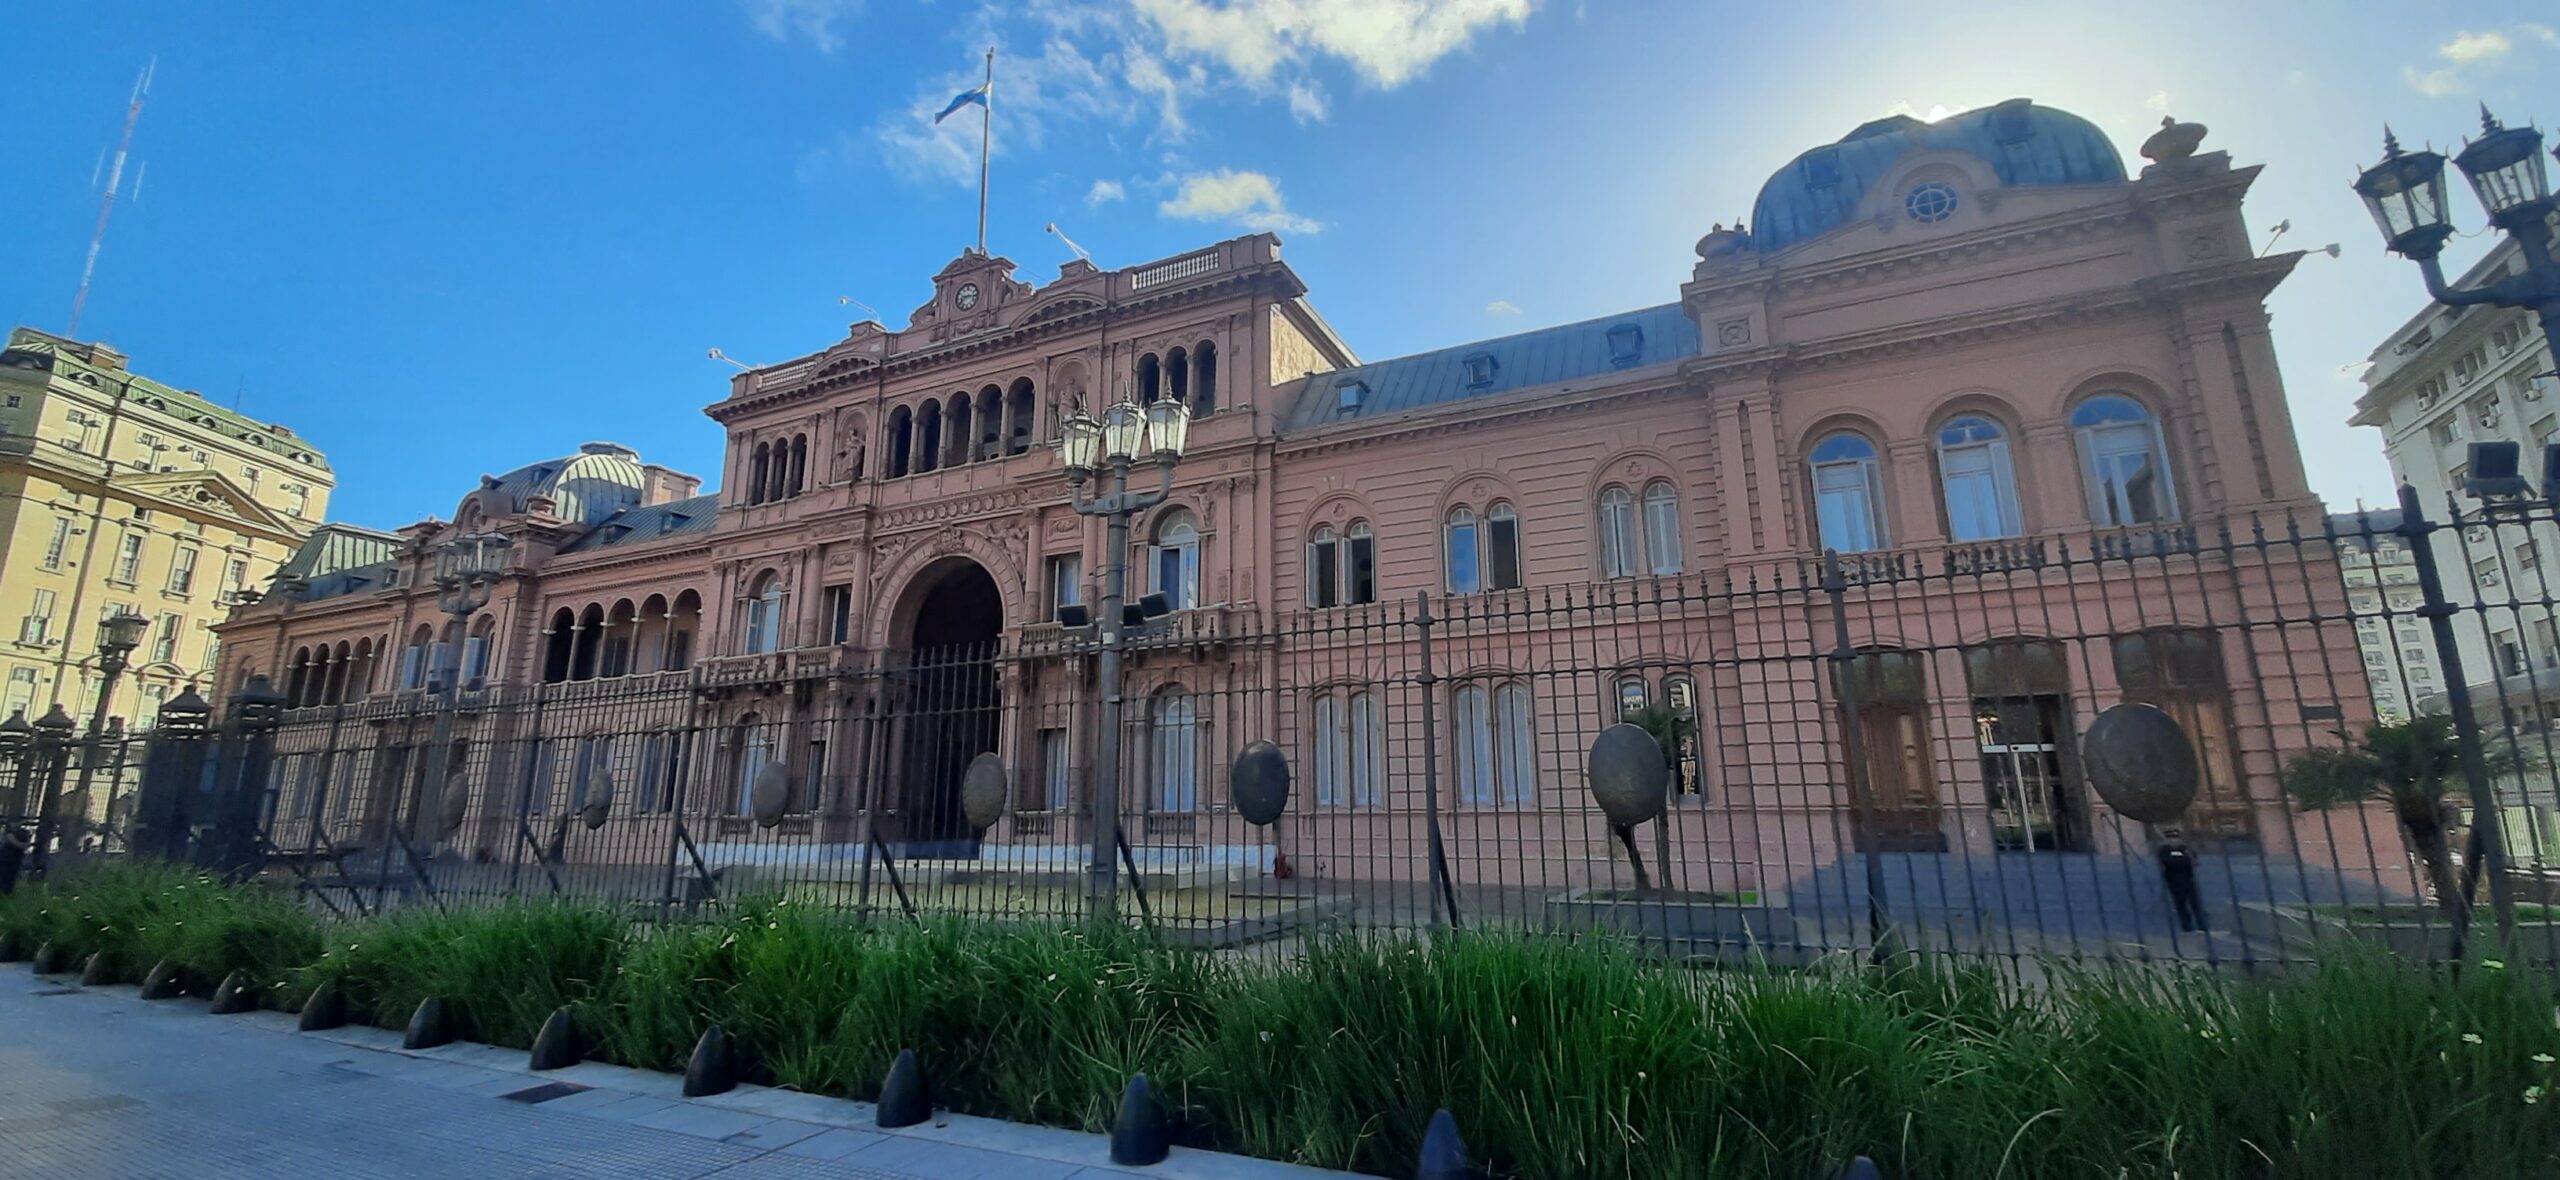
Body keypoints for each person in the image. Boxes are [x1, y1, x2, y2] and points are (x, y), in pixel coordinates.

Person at [2156, 828, 2206, 933]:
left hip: (2188, 879)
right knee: (2181, 905)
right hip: (2173, 881)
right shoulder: (2164, 851)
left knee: (2195, 904)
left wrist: (2179, 863)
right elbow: (2166, 863)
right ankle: (2187, 927)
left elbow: (2193, 862)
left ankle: (2202, 925)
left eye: (2175, 838)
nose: (2173, 840)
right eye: (2170, 838)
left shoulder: (2186, 849)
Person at [0, 825, 32, 895]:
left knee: (8, 876)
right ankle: (6, 891)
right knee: (8, 876)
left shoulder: (9, 839)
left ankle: (6, 891)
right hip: (10, 857)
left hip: (11, 857)